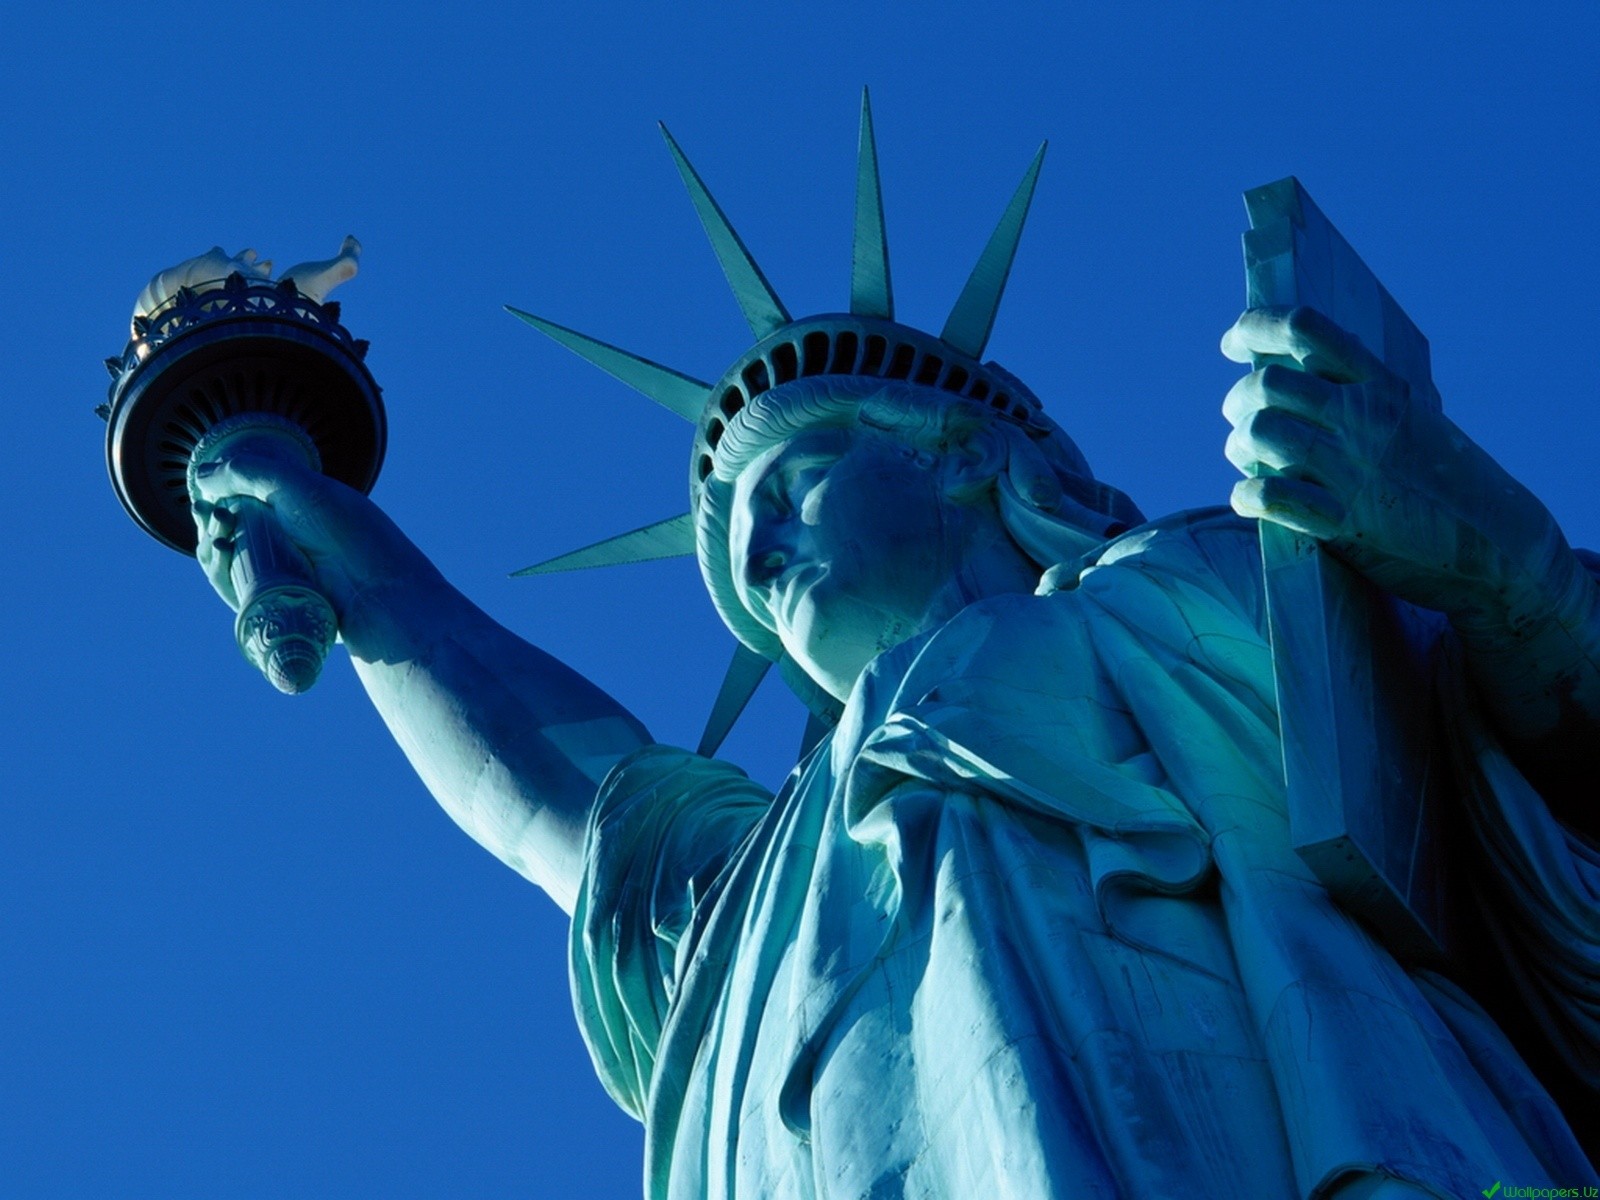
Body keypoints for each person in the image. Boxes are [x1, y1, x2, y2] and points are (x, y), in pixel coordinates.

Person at [183, 128, 1598, 1198]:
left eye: (790, 484)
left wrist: (1491, 554)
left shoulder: (1211, 587)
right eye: (735, 550)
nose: (758, 555)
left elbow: (1554, 781)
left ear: (969, 455)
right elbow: (559, 792)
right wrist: (317, 516)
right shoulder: (773, 866)